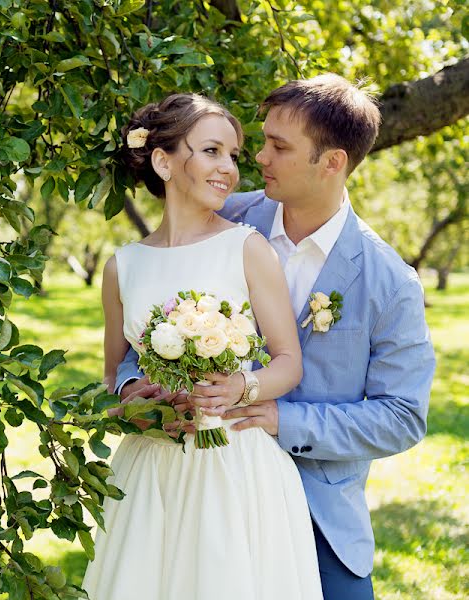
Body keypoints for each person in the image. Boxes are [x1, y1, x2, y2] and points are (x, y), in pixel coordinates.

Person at [114, 74, 436, 600]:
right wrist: (135, 390)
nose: (258, 157)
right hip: (204, 491)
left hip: (320, 516)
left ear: (332, 162)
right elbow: (145, 325)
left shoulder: (390, 280)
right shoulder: (221, 216)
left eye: (278, 146)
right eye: (260, 141)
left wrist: (282, 419)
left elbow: (402, 416)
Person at [82, 93, 322, 600]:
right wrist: (140, 407)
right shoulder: (121, 267)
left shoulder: (247, 248)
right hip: (151, 469)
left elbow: (288, 362)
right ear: (164, 161)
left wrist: (241, 385)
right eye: (212, 151)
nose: (229, 169)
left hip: (233, 463)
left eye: (233, 155)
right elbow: (112, 382)